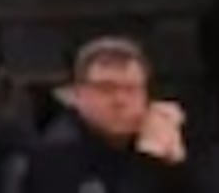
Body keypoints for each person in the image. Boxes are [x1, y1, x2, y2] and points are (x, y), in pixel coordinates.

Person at [17, 38, 192, 193]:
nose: (120, 100)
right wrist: (147, 161)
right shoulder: (55, 155)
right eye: (105, 89)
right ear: (78, 95)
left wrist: (177, 164)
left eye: (131, 89)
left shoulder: (155, 134)